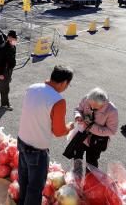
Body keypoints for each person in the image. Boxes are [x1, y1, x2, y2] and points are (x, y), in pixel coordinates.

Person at [17, 65, 74, 205]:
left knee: (23, 181)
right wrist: (70, 127)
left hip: (22, 141)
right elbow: (59, 131)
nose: (67, 87)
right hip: (37, 150)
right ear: (64, 82)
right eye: (68, 84)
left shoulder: (32, 87)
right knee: (35, 188)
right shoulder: (58, 100)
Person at [72, 87, 118, 169]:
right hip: (81, 134)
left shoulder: (112, 110)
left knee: (91, 163)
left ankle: (90, 180)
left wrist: (91, 127)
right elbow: (78, 109)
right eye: (90, 105)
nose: (92, 108)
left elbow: (112, 131)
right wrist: (78, 116)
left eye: (96, 107)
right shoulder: (87, 98)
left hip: (96, 141)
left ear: (104, 103)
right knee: (77, 157)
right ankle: (77, 177)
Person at [0, 30, 17, 110]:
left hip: (9, 69)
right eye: (12, 38)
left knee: (3, 84)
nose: (14, 40)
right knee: (5, 88)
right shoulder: (3, 48)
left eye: (15, 39)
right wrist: (0, 73)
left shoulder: (13, 46)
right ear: (8, 38)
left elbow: (12, 58)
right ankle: (5, 104)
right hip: (4, 70)